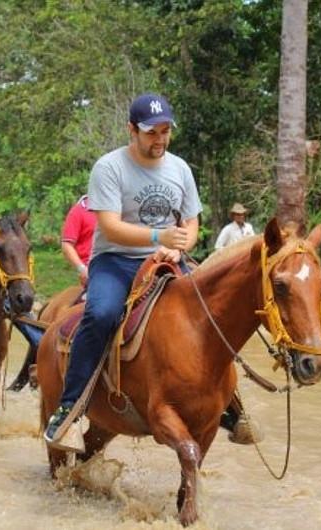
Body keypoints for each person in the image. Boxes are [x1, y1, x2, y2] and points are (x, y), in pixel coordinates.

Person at [43, 93, 202, 445]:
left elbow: (192, 223)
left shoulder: (180, 169)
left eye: (165, 131)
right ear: (131, 130)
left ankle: (228, 406)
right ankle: (68, 406)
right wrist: (160, 235)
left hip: (167, 261)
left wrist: (179, 248)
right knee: (100, 314)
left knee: (209, 311)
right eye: (151, 132)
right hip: (116, 260)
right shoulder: (109, 167)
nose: (159, 139)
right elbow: (111, 227)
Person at [61, 194, 97, 285]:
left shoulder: (122, 208)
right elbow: (67, 244)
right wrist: (82, 269)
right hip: (94, 271)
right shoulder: (78, 211)